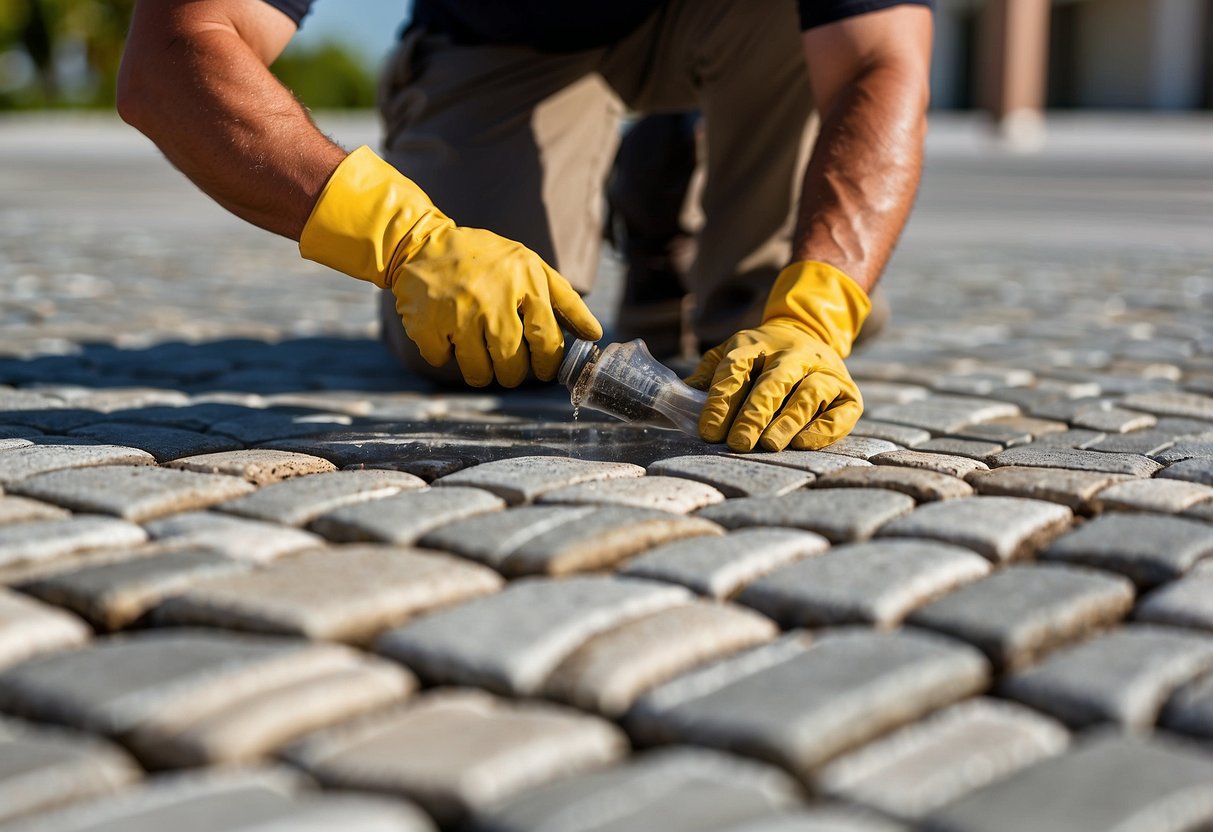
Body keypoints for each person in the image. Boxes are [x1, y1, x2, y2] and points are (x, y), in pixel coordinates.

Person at [117, 0, 933, 453]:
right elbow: (172, 56)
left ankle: (673, 195)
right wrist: (409, 240)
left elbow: (877, 58)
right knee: (472, 347)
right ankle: (652, 187)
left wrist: (817, 312)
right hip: (501, 36)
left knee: (763, 349)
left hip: (747, 24)